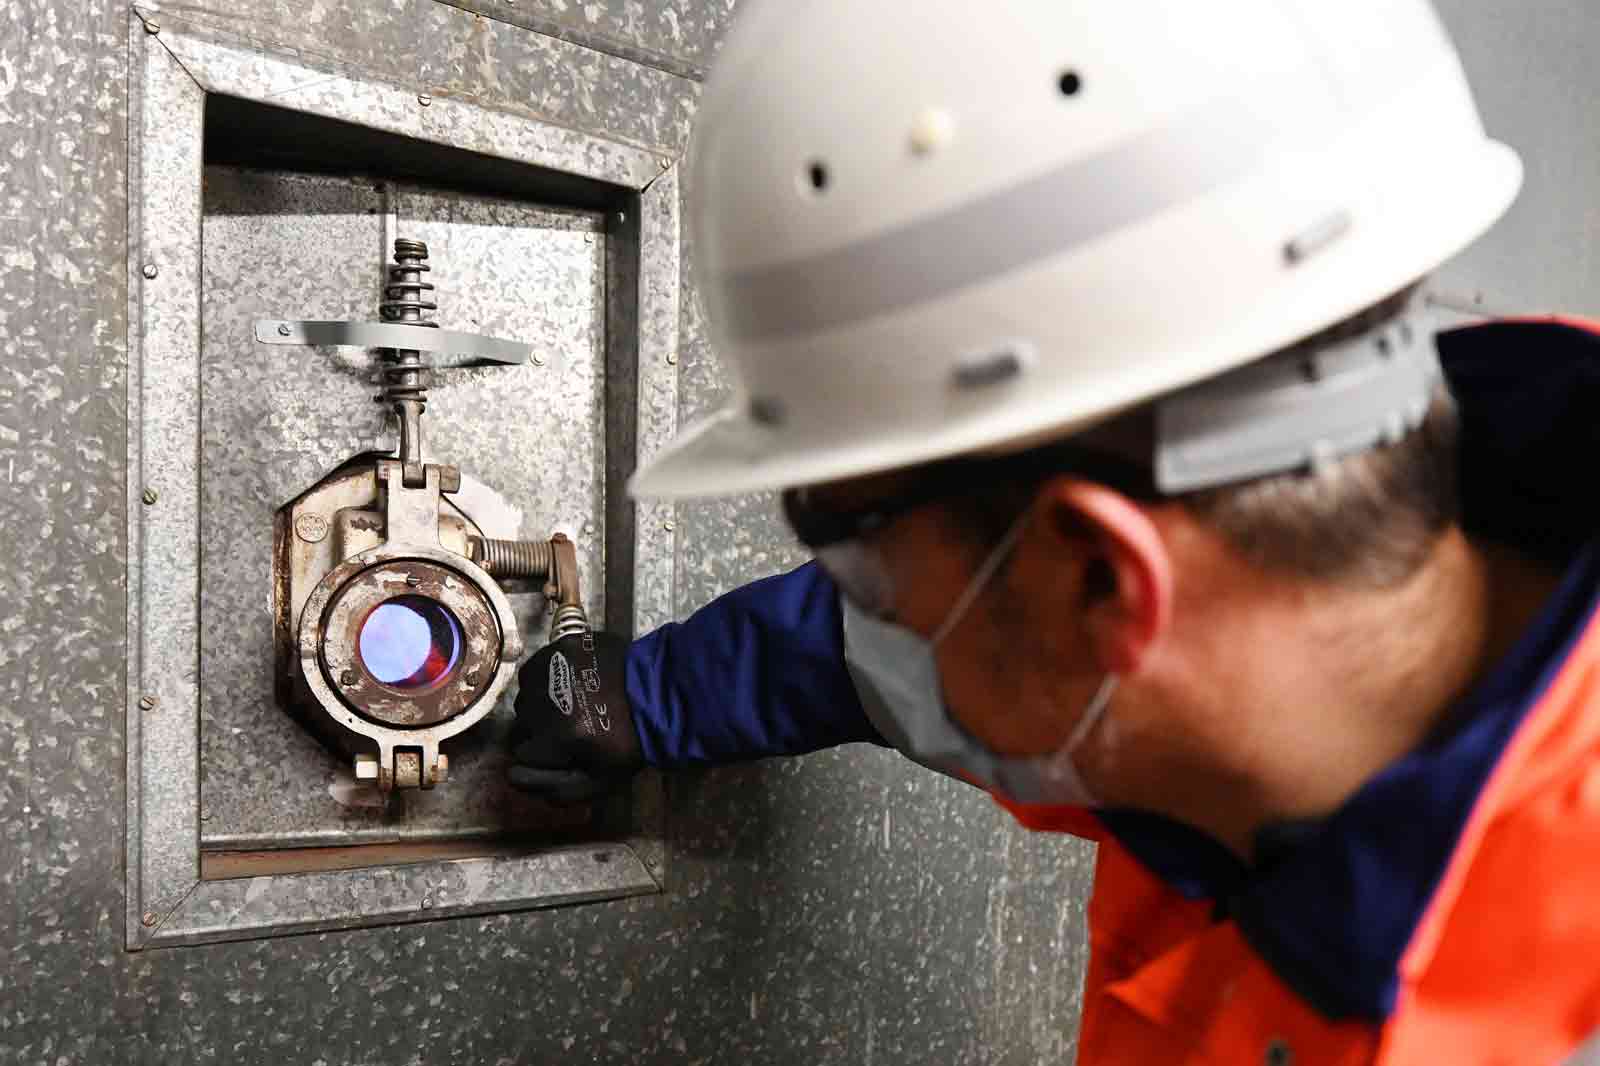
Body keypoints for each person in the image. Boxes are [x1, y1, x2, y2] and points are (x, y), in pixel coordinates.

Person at [509, 1, 1600, 1061]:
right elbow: (944, 640)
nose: (863, 597)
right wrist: (657, 695)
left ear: (1102, 584)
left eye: (850, 540)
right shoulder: (1272, 653)